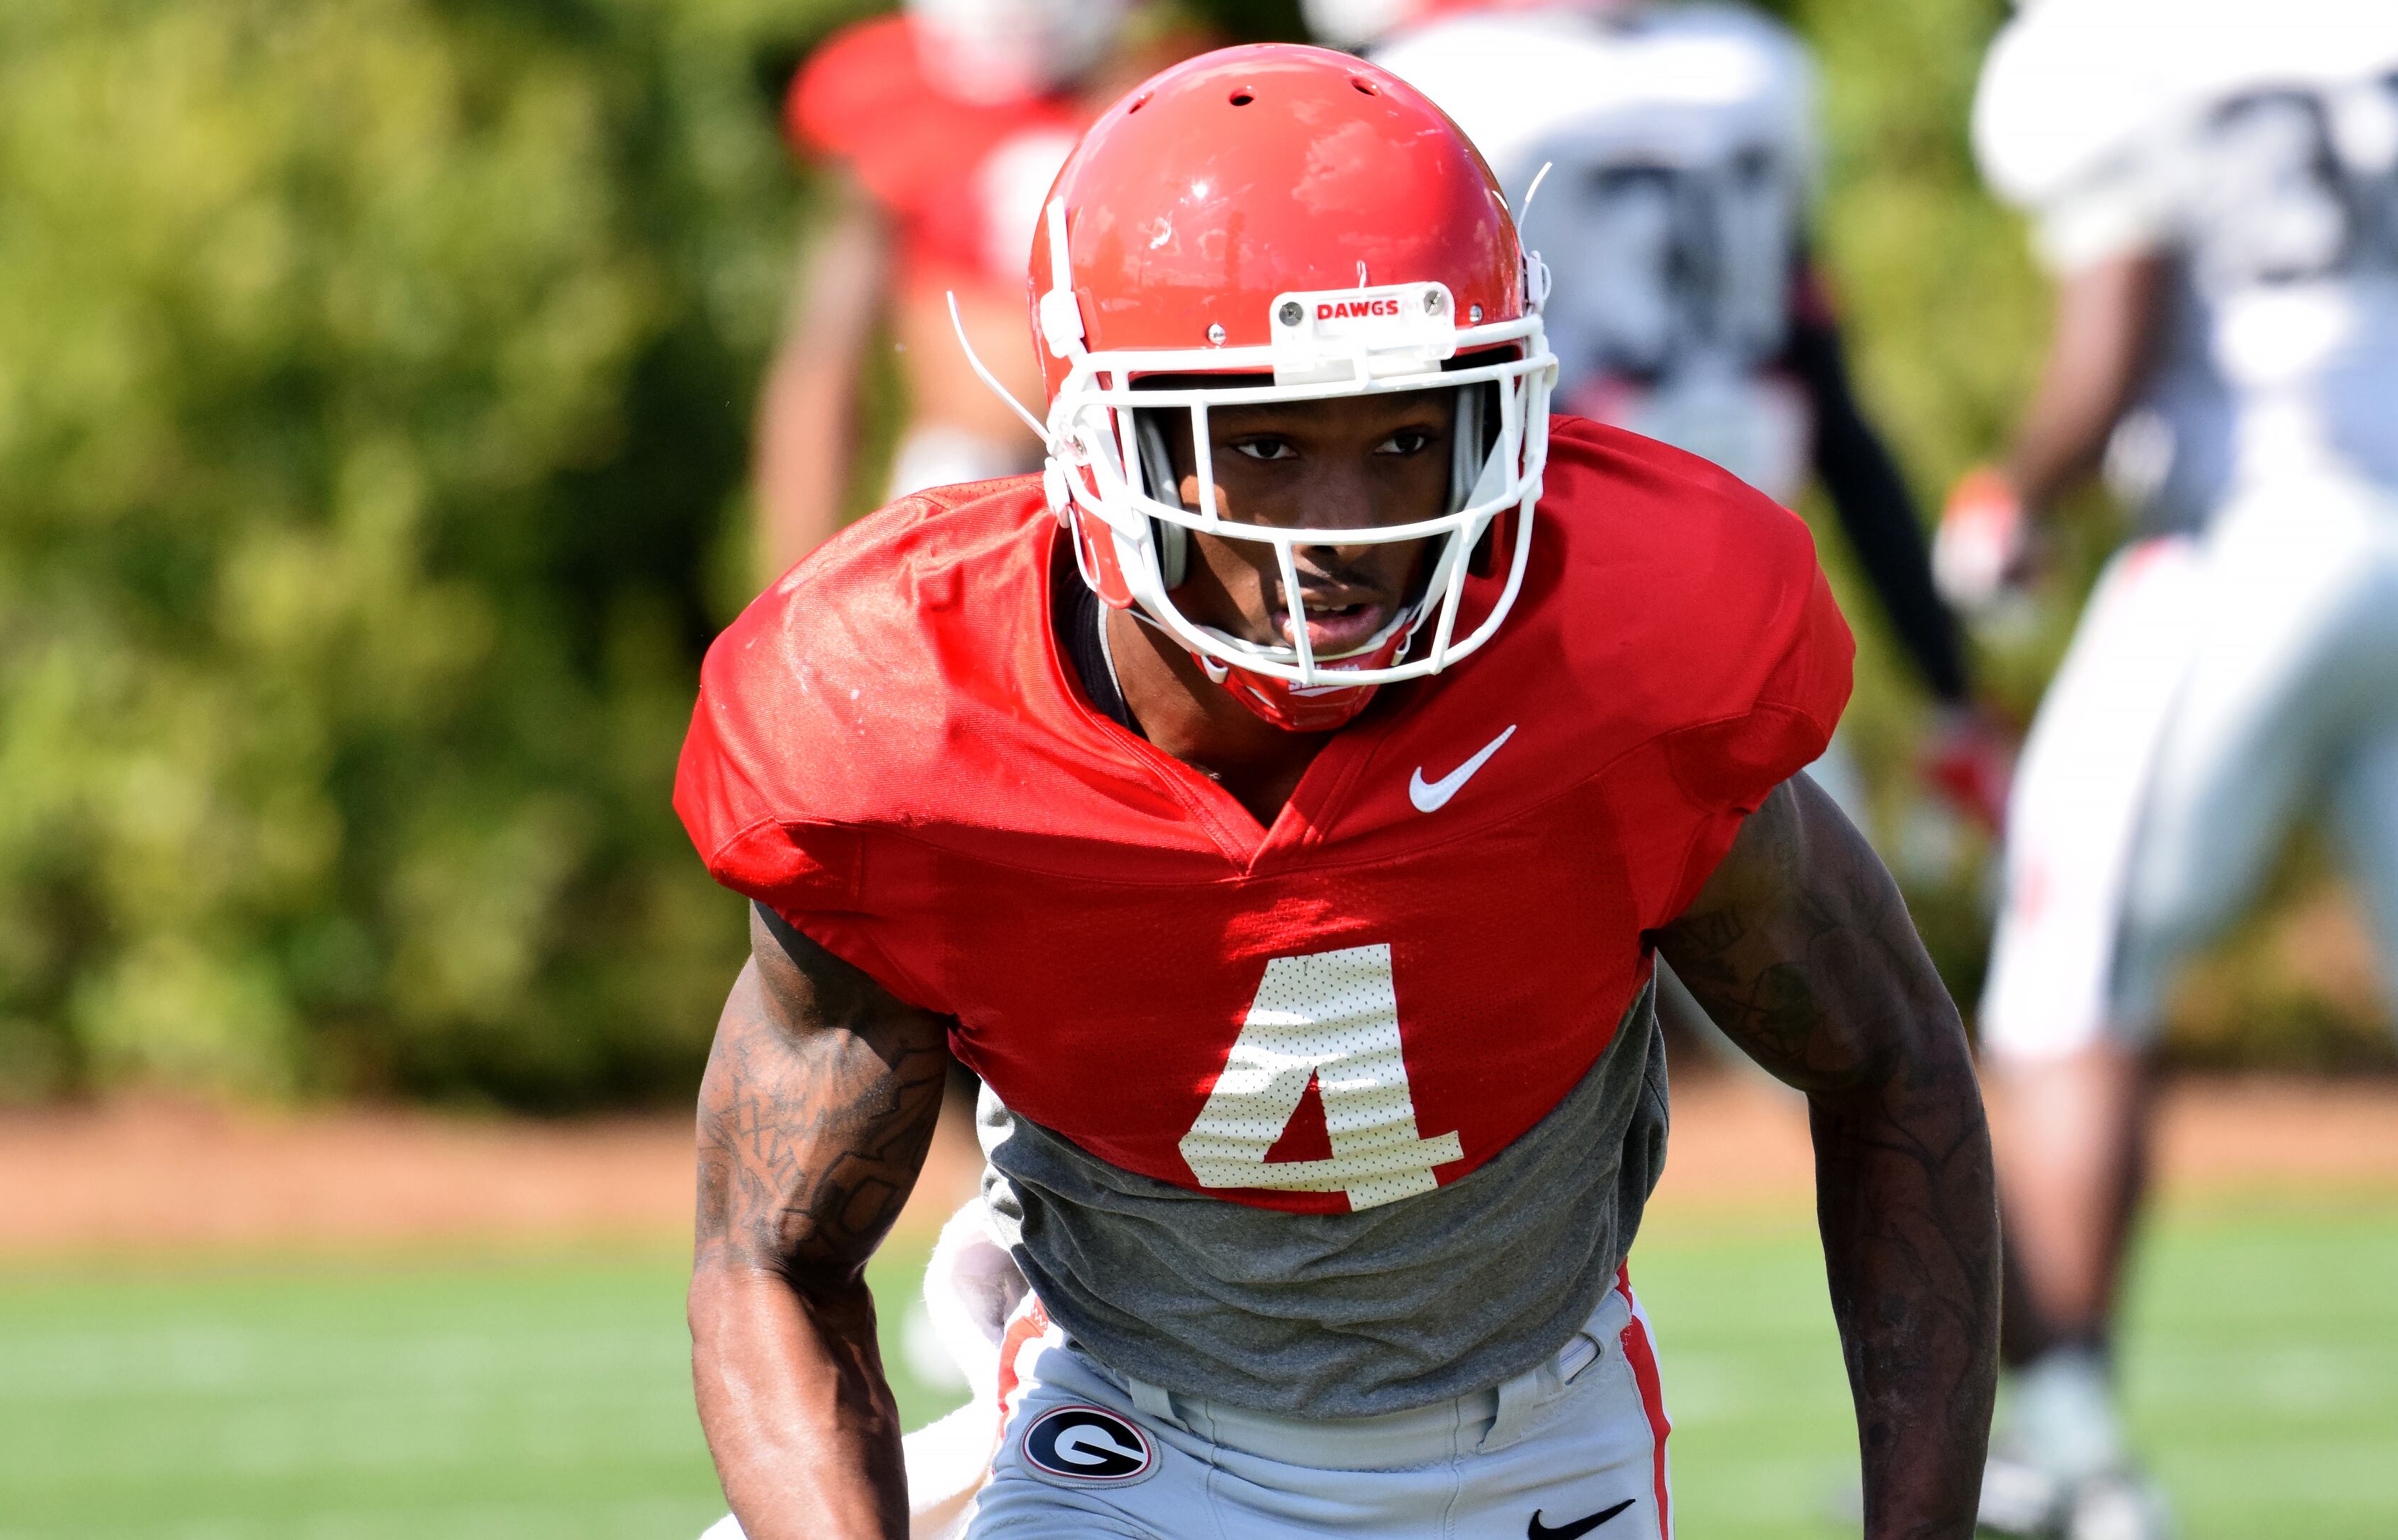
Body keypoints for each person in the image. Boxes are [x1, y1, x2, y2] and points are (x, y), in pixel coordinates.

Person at [677, 44, 2000, 1540]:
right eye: (1262, 443)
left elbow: (1893, 1064)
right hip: (1127, 1433)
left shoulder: (1617, 674)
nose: (1348, 529)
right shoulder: (917, 730)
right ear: (1108, 440)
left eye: (1402, 438)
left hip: (1536, 1452)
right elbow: (770, 1254)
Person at [1935, 1, 2398, 1536]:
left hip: (2239, 540)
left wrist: (2012, 496)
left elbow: (2120, 321)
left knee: (2069, 985)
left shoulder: (2118, 49)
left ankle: (2070, 1452)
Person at [1323, 0, 2012, 842]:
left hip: (1544, 622)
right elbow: (1832, 405)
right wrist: (1948, 685)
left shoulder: (1434, 88)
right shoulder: (1744, 65)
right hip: (1750, 599)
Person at [753, 0, 1155, 584]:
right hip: (965, 492)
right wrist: (789, 594)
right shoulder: (888, 91)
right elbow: (823, 366)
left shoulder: (1168, 89)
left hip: (1144, 477)